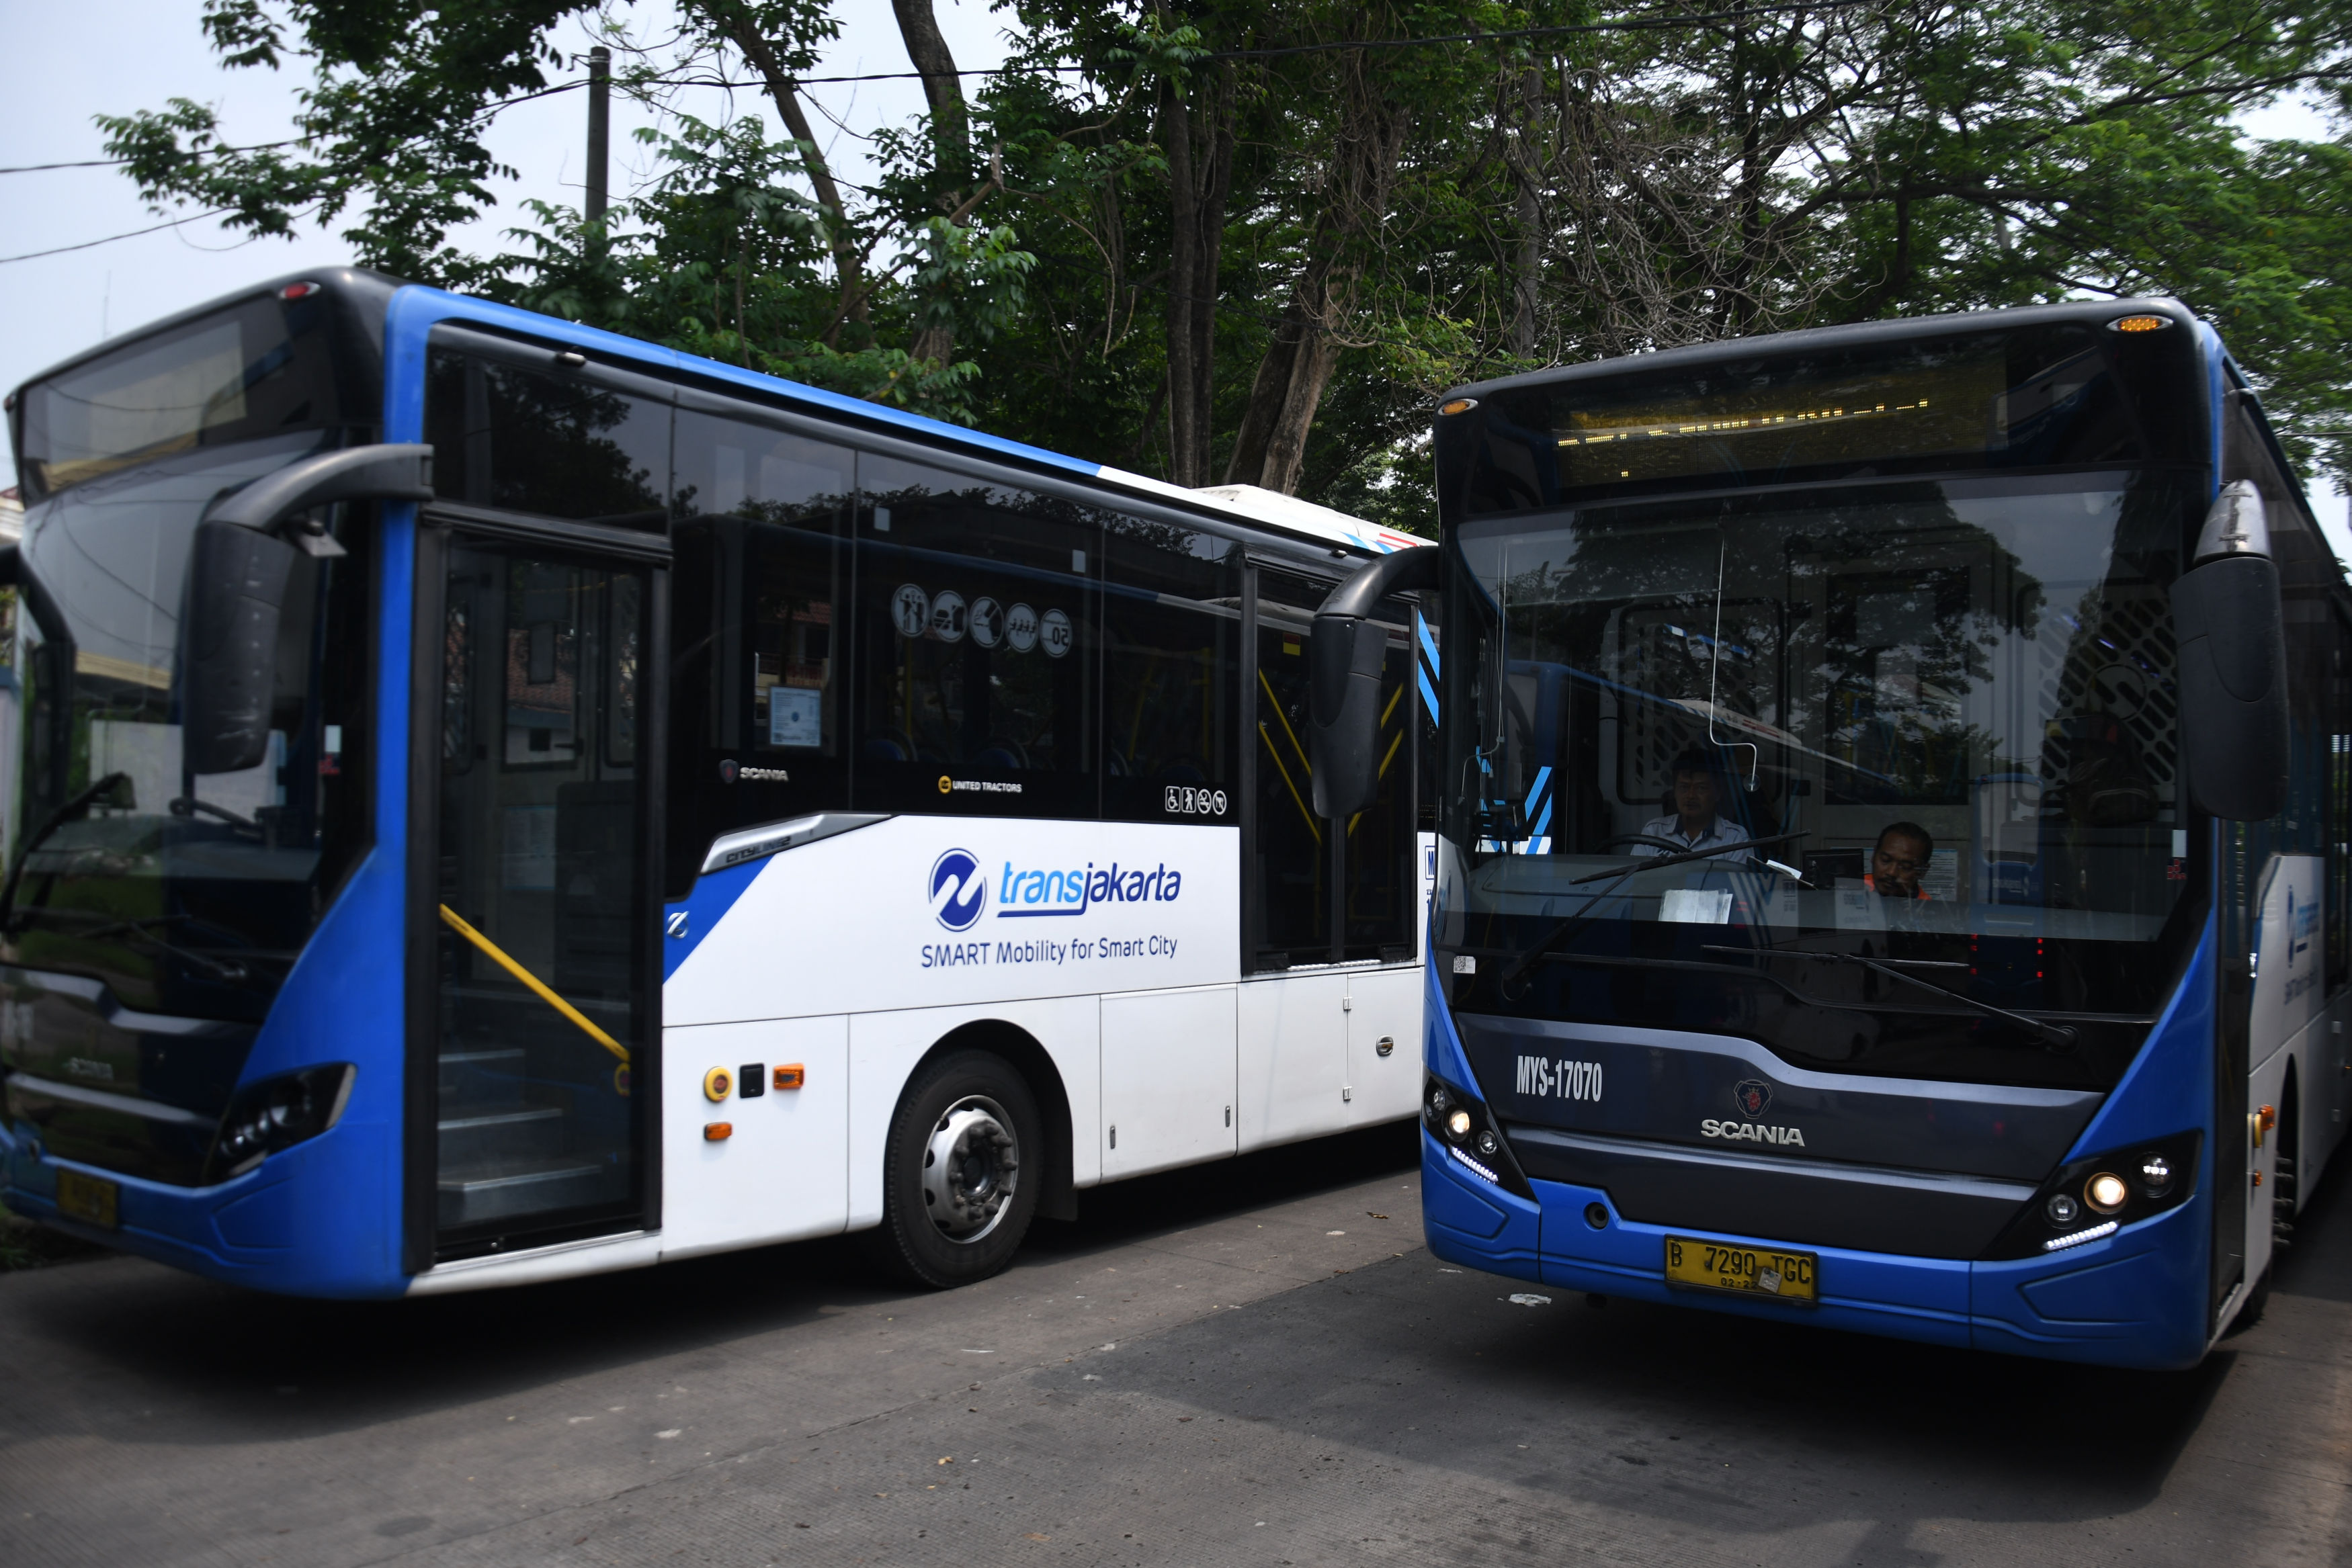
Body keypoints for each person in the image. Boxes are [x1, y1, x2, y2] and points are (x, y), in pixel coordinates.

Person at [1634, 749, 1750, 859]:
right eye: (1684, 787)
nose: (1690, 796)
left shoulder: (1735, 838)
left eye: (1701, 788)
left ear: (1717, 793)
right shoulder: (1654, 832)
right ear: (1675, 791)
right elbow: (1634, 878)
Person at [1865, 822, 1935, 900]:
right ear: (1874, 855)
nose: (1892, 872)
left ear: (1923, 872)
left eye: (1906, 867)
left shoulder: (1927, 909)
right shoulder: (1856, 885)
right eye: (1885, 860)